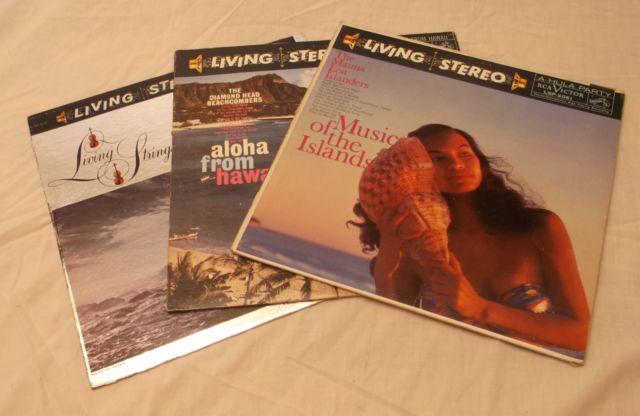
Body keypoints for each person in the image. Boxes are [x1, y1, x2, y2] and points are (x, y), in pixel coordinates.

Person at [349, 124, 590, 351]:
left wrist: (480, 308)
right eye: (438, 159)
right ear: (412, 172)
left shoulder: (538, 227)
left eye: (465, 154)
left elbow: (580, 335)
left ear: (481, 165)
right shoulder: (416, 246)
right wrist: (384, 275)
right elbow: (395, 337)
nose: (456, 164)